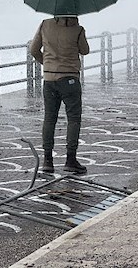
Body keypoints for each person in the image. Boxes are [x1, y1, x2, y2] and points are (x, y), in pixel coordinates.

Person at [30, 16, 90, 174]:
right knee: (74, 118)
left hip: (49, 79)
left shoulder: (45, 24)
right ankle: (70, 160)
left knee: (49, 118)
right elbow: (85, 50)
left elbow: (33, 50)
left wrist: (48, 63)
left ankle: (47, 161)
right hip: (70, 79)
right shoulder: (77, 29)